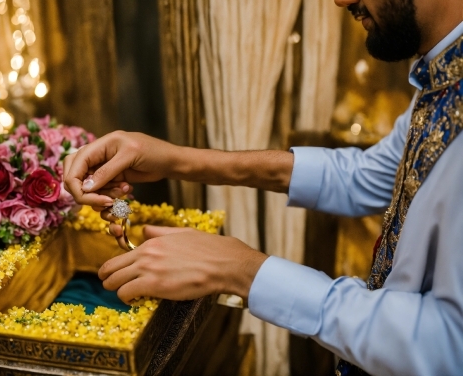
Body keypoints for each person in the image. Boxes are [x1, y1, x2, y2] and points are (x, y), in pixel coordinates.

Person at [64, 0, 463, 374]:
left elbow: (447, 346)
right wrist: (175, 160)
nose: (339, 1)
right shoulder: (445, 70)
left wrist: (242, 269)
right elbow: (365, 175)